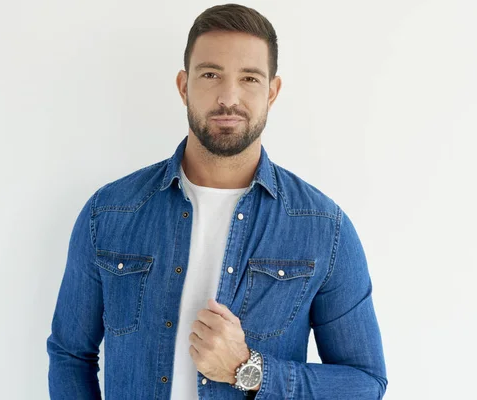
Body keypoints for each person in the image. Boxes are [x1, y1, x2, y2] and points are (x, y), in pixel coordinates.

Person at [46, 3, 387, 399]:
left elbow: (365, 384)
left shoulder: (323, 228)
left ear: (272, 92)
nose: (229, 97)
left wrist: (250, 370)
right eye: (211, 74)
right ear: (183, 85)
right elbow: (70, 354)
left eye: (249, 78)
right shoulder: (109, 213)